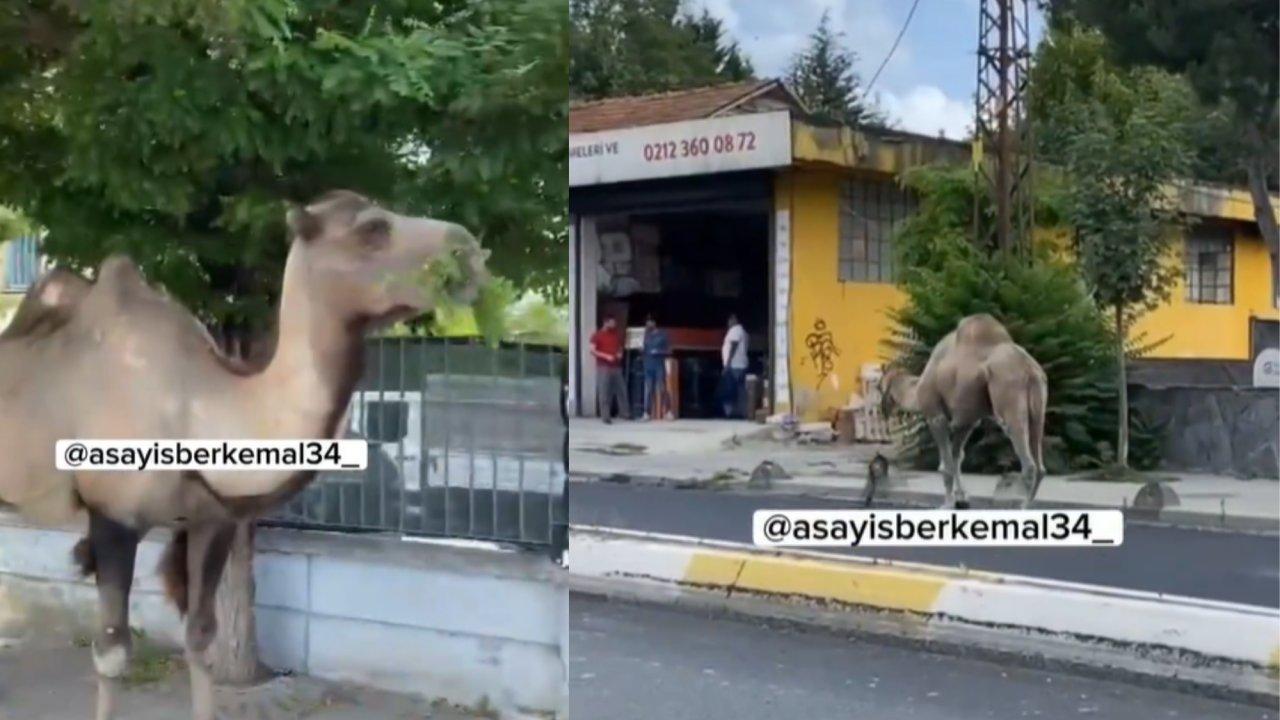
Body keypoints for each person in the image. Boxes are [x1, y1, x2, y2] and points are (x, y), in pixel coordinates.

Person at [590, 316, 628, 423]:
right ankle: (605, 416)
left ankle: (625, 413)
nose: (613, 325)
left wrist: (620, 353)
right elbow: (592, 350)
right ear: (605, 323)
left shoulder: (615, 335)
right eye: (611, 323)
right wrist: (605, 356)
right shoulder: (596, 335)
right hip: (603, 366)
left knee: (621, 390)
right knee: (604, 391)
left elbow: (619, 347)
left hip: (616, 366)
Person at [641, 315, 673, 421]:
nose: (647, 325)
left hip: (659, 365)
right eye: (646, 323)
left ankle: (668, 411)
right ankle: (647, 413)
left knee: (662, 388)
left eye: (649, 322)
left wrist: (658, 352)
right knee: (649, 390)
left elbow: (669, 350)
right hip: (648, 365)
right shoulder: (646, 336)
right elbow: (644, 350)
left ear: (654, 323)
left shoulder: (662, 335)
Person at [719, 313, 748, 418]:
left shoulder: (735, 330)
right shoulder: (743, 331)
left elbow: (734, 345)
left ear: (734, 319)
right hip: (740, 364)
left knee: (729, 389)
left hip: (734, 365)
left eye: (730, 320)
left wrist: (727, 364)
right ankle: (742, 412)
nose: (728, 323)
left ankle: (730, 413)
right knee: (740, 389)